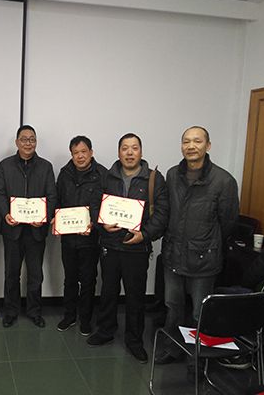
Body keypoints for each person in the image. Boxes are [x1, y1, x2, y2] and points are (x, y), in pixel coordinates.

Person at [156, 126, 239, 374]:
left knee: (199, 311)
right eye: (186, 141)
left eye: (197, 141)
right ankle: (173, 348)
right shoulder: (172, 175)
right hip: (173, 254)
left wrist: (206, 242)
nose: (191, 146)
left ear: (208, 145)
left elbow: (228, 222)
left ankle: (197, 358)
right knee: (173, 306)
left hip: (204, 258)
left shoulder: (224, 180)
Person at [88, 133, 169, 364]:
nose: (130, 152)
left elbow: (162, 213)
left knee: (135, 297)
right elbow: (95, 206)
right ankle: (105, 331)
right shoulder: (107, 176)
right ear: (119, 152)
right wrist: (102, 223)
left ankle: (134, 341)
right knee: (108, 292)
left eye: (134, 148)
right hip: (110, 246)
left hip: (137, 249)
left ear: (141, 151)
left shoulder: (153, 179)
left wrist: (145, 235)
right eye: (125, 148)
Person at [0, 125, 57, 328]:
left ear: (36, 142)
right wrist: (6, 213)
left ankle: (34, 311)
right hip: (12, 229)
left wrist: (45, 217)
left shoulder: (46, 167)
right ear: (17, 142)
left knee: (35, 274)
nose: (28, 143)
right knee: (11, 273)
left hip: (36, 230)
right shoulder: (5, 165)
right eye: (24, 139)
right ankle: (10, 311)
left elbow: (52, 196)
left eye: (32, 139)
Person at [54, 136, 107, 336]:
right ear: (71, 154)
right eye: (76, 153)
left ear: (91, 152)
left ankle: (85, 319)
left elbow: (107, 205)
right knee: (69, 279)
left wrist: (95, 222)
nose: (80, 156)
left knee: (88, 280)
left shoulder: (102, 174)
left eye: (84, 152)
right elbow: (57, 201)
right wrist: (56, 219)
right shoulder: (65, 173)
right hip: (68, 238)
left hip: (90, 238)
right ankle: (69, 316)